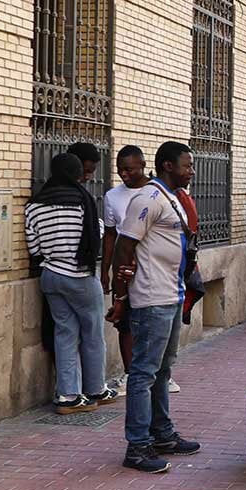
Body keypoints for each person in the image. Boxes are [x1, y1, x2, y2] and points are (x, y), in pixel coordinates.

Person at [108, 141, 201, 474]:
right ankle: (137, 446)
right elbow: (123, 245)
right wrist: (120, 295)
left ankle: (162, 434)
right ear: (166, 166)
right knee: (144, 373)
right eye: (186, 165)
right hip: (152, 297)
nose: (191, 171)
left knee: (163, 369)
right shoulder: (146, 199)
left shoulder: (170, 197)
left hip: (172, 295)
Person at [25, 153, 116, 415]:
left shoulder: (34, 205)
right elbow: (95, 235)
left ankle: (68, 396)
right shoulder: (82, 202)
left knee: (64, 333)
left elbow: (34, 247)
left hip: (51, 275)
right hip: (80, 277)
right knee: (93, 333)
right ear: (77, 174)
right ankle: (96, 388)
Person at [101, 146, 147, 396]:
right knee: (123, 321)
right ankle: (130, 374)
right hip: (122, 268)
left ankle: (159, 374)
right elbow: (109, 236)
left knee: (151, 322)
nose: (124, 174)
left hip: (149, 268)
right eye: (120, 170)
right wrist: (105, 271)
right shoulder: (112, 196)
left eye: (129, 169)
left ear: (142, 164)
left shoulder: (156, 192)